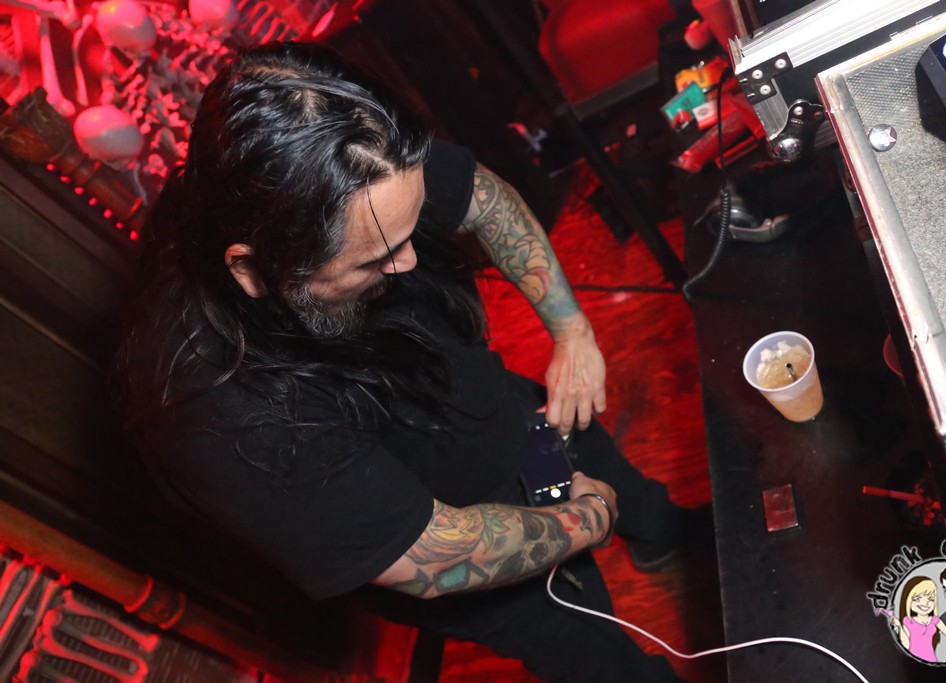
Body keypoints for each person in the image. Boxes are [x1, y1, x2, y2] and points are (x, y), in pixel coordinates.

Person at [115, 41, 711, 682]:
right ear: (256, 271)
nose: (410, 263)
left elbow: (485, 199)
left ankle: (663, 533)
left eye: (409, 227)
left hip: (489, 404)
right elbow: (431, 556)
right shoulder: (213, 415)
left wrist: (571, 332)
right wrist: (587, 521)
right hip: (451, 526)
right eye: (376, 258)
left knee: (610, 469)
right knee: (595, 654)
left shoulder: (350, 152)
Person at [891, 576, 946, 662]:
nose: (925, 603)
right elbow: (906, 645)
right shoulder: (908, 621)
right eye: (917, 599)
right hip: (912, 661)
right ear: (908, 600)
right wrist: (899, 626)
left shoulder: (935, 620)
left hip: (931, 660)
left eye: (931, 599)